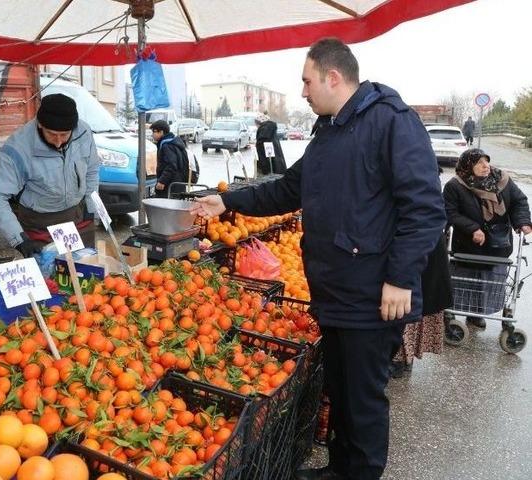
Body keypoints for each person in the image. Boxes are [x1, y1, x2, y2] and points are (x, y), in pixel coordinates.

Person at [190, 37, 445, 480]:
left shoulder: (391, 122)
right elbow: (289, 190)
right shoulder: (329, 130)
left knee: (363, 400)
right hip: (334, 289)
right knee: (341, 390)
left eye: (307, 82)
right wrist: (228, 202)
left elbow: (425, 209)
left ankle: (359, 473)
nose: (303, 91)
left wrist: (401, 278)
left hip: (372, 293)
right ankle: (340, 468)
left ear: (333, 77)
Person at [0, 93, 99, 258]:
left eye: (64, 135)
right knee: (50, 271)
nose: (58, 142)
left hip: (77, 215)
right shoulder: (18, 147)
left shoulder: (83, 132)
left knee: (85, 268)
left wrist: (91, 206)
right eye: (52, 134)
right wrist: (19, 239)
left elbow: (92, 169)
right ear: (40, 124)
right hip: (39, 223)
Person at [442, 148, 531, 328]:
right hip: (468, 244)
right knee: (467, 280)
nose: (486, 166)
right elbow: (449, 212)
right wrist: (472, 228)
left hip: (498, 243)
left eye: (486, 161)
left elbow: (518, 201)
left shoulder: (502, 180)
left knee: (489, 280)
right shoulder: (455, 185)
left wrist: (523, 222)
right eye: (479, 162)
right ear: (468, 166)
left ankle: (477, 314)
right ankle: (458, 310)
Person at [389, 235, 452, 377]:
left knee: (406, 309)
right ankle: (403, 358)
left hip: (414, 248)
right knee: (408, 309)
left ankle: (400, 359)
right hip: (420, 247)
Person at [150, 119, 192, 198]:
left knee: (165, 204)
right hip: (177, 183)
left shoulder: (167, 145)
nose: (152, 134)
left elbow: (172, 165)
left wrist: (162, 181)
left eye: (154, 131)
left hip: (170, 185)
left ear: (161, 132)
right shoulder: (173, 141)